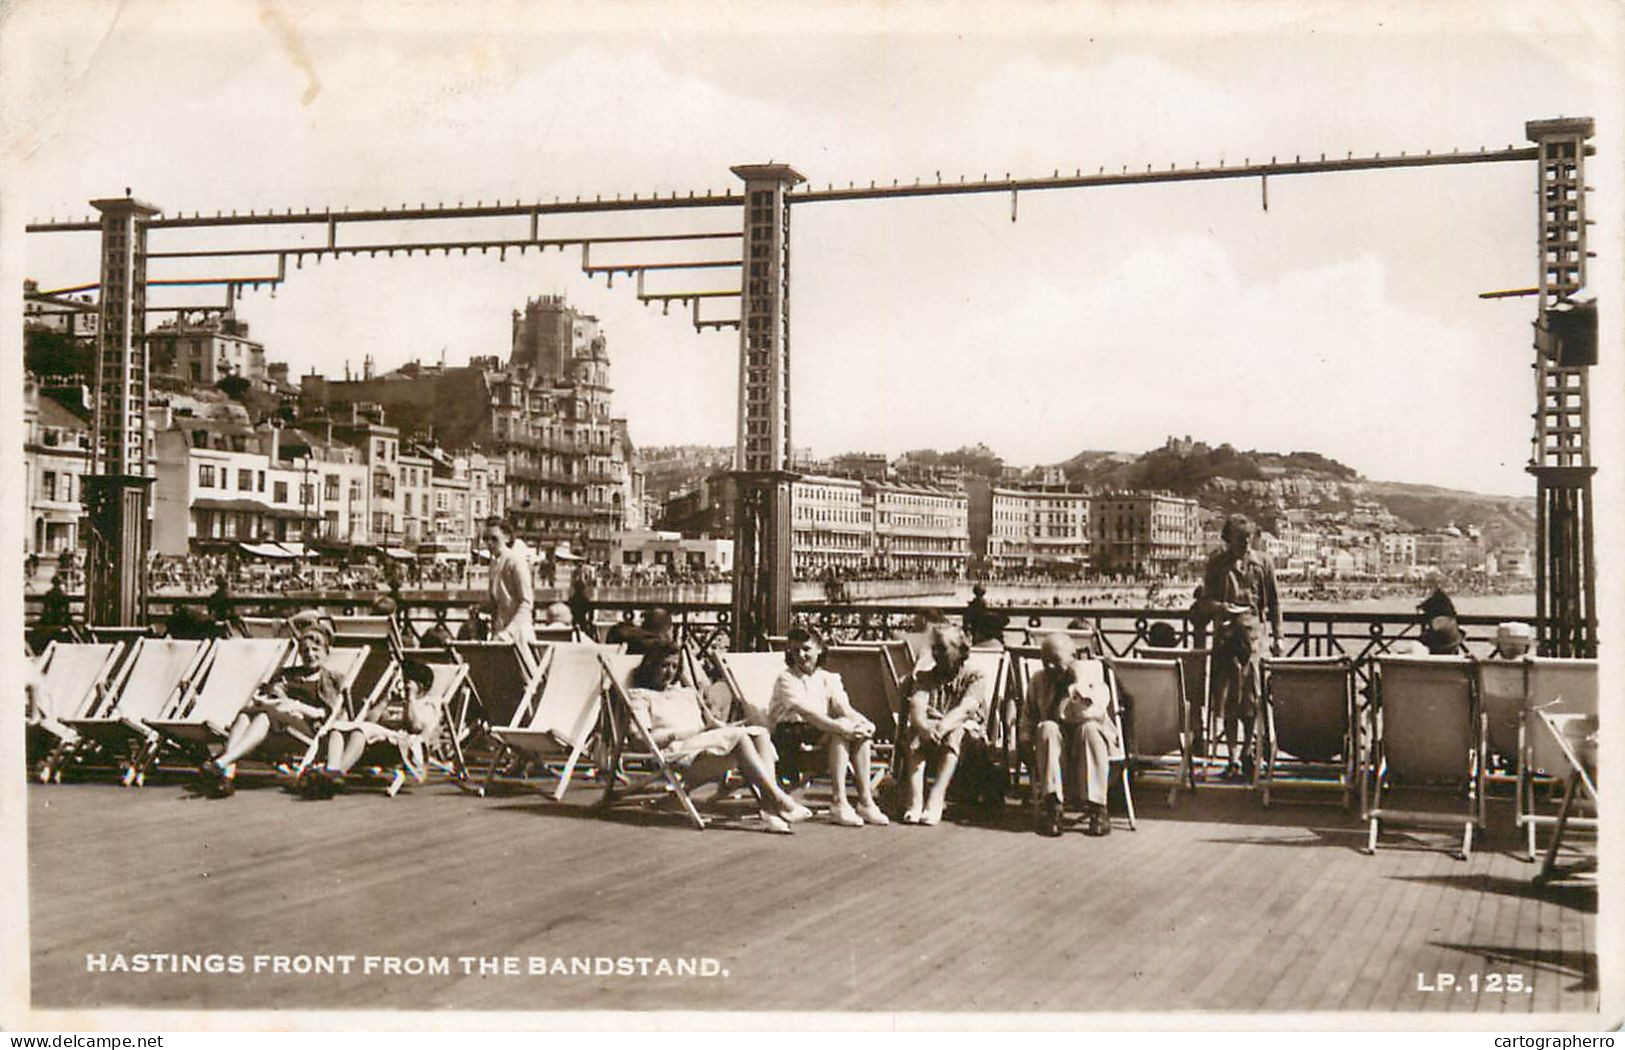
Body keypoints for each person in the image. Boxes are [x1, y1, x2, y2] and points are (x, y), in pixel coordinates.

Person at [624, 642, 810, 833]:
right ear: (650, 666)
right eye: (664, 665)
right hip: (680, 755)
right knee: (740, 740)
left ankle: (770, 809)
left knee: (758, 733)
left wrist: (731, 726)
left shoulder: (684, 692)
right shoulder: (640, 696)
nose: (669, 672)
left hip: (705, 744)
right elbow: (639, 741)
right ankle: (780, 800)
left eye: (673, 666)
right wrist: (676, 734)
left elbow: (711, 723)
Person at [198, 623, 343, 797]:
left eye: (315, 650)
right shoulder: (287, 675)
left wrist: (297, 707)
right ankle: (226, 776)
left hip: (307, 728)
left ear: (326, 652)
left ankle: (222, 763)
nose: (310, 655)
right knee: (246, 715)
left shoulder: (333, 679)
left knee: (265, 716)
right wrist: (273, 698)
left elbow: (332, 714)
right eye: (305, 651)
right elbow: (270, 694)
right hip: (277, 724)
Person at [767, 627, 889, 827]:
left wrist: (864, 722)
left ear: (819, 650)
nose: (800, 655)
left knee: (858, 732)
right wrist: (842, 728)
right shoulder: (786, 679)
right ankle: (839, 802)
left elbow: (844, 708)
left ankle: (866, 801)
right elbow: (806, 713)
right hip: (788, 736)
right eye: (795, 650)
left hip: (816, 730)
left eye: (806, 649)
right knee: (840, 732)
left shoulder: (828, 678)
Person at [1198, 514, 1282, 781]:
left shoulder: (1263, 563)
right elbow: (1205, 601)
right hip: (1224, 637)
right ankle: (1232, 757)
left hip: (1252, 639)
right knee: (1227, 701)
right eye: (1239, 540)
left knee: (1252, 699)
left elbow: (1276, 603)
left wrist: (1279, 637)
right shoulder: (1217, 564)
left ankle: (1248, 752)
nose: (1246, 544)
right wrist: (1220, 607)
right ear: (1227, 539)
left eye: (1249, 539)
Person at [1020, 632, 1120, 837]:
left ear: (1072, 656)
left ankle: (1097, 809)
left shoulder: (1093, 676)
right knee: (1046, 727)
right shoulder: (1039, 679)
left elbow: (1089, 714)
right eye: (1045, 661)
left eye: (1055, 661)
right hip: (1056, 747)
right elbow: (1027, 715)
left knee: (1089, 729)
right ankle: (1053, 806)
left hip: (1090, 744)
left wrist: (1076, 684)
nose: (1049, 667)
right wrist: (1024, 740)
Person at [304, 658, 441, 796]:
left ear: (420, 686)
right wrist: (386, 700)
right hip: (378, 742)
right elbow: (369, 720)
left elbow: (415, 727)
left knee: (360, 731)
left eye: (406, 682)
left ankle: (337, 774)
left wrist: (410, 699)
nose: (402, 685)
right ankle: (332, 771)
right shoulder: (395, 699)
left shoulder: (428, 704)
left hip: (403, 746)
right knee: (338, 727)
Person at [899, 623, 992, 825]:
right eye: (934, 648)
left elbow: (965, 710)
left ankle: (936, 796)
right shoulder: (925, 677)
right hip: (931, 735)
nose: (936, 653)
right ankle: (915, 800)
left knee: (955, 730)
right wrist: (923, 727)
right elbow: (917, 704)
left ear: (960, 651)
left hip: (967, 740)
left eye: (942, 648)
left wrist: (940, 728)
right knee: (915, 730)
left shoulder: (974, 677)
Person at [483, 517, 535, 646]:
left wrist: (509, 632)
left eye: (494, 539)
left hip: (518, 634)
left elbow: (526, 603)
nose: (489, 543)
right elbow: (498, 602)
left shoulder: (516, 561)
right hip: (500, 634)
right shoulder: (494, 564)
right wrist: (480, 608)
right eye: (486, 539)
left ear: (506, 537)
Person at [568, 576, 595, 640]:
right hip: (582, 620)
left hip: (574, 620)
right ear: (583, 589)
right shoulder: (585, 600)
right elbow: (591, 611)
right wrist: (590, 621)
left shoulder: (571, 600)